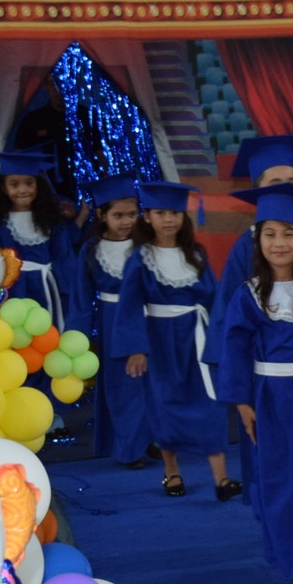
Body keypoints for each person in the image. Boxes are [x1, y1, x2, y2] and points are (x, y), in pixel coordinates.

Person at [215, 184, 293, 584]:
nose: (279, 243)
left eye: (289, 233)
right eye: (270, 234)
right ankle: (285, 551)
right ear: (258, 239)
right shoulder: (248, 295)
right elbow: (234, 348)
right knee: (278, 479)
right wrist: (241, 402)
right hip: (269, 400)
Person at [213, 134, 293, 509]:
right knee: (272, 453)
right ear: (258, 191)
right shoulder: (248, 248)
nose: (287, 188)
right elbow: (228, 320)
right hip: (266, 376)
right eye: (274, 183)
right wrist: (237, 388)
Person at [111, 181, 240, 501]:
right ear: (148, 217)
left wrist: (221, 339)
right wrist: (135, 348)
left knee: (209, 405)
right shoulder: (141, 258)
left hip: (195, 337)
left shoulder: (195, 253)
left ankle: (221, 479)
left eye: (175, 213)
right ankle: (172, 473)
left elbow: (214, 297)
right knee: (164, 405)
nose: (168, 219)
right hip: (160, 341)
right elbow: (129, 303)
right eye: (160, 212)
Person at [69, 174, 151, 468]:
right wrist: (75, 339)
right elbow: (81, 298)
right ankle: (129, 447)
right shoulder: (92, 250)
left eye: (132, 214)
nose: (126, 221)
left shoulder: (146, 247)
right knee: (122, 386)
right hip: (113, 323)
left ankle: (147, 437)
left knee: (149, 383)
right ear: (102, 215)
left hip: (146, 321)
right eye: (118, 215)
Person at [0, 147, 79, 335]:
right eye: (14, 184)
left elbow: (64, 256)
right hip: (15, 290)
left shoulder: (51, 220)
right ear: (3, 188)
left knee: (49, 335)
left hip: (48, 287)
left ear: (38, 185)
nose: (23, 190)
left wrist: (69, 290)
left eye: (29, 183)